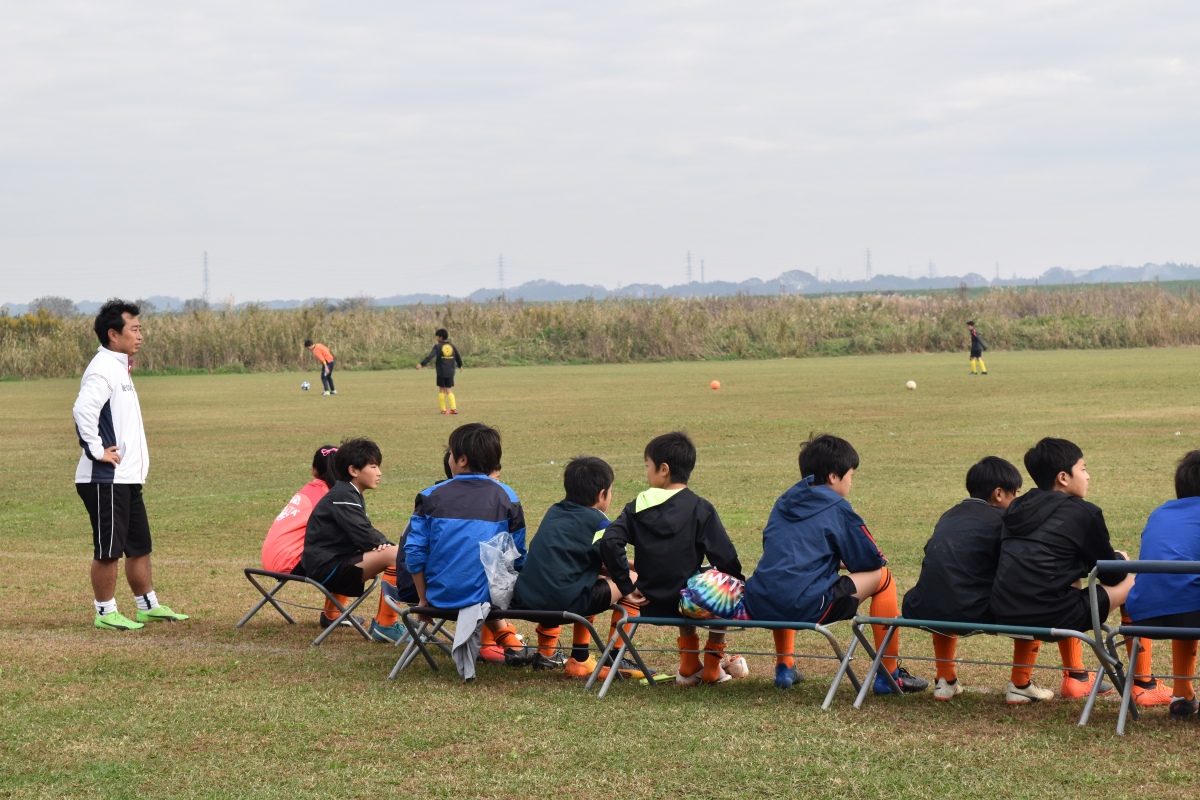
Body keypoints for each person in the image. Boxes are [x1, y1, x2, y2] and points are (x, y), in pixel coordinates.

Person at [742, 433, 927, 694]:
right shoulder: (837, 506)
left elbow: (786, 553)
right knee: (883, 577)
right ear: (832, 476)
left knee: (785, 579)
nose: (851, 481)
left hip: (760, 600)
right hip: (806, 606)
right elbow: (870, 560)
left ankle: (785, 667)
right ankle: (889, 675)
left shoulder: (784, 500)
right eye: (851, 475)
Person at [990, 438, 1165, 703]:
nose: (1088, 475)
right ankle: (1144, 684)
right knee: (1132, 582)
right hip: (1050, 615)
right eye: (1083, 469)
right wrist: (1120, 558)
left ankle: (1076, 677)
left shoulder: (1017, 507)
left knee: (1068, 581)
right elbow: (1112, 575)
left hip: (1004, 611)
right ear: (1063, 477)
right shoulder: (1083, 512)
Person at [73, 299, 188, 631]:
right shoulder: (102, 368)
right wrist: (97, 451)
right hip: (106, 478)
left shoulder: (119, 366)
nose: (140, 335)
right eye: (134, 329)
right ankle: (105, 612)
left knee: (139, 546)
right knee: (109, 550)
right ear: (113, 334)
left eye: (140, 329)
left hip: (126, 478)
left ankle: (147, 606)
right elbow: (83, 410)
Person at [902, 457, 1055, 704]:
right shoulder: (1004, 520)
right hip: (972, 612)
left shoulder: (949, 515)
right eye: (1016, 493)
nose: (1017, 499)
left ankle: (945, 680)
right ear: (998, 494)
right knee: (1030, 600)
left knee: (945, 591)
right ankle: (1020, 684)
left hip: (922, 607)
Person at [600, 431, 743, 685]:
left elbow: (610, 541)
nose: (646, 471)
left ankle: (689, 665)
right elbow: (726, 557)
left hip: (650, 601)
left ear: (663, 469)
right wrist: (736, 585)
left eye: (647, 465)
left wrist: (626, 585)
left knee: (689, 579)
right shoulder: (700, 508)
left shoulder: (637, 506)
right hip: (689, 604)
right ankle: (712, 666)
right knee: (714, 584)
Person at [404, 423, 531, 665]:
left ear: (462, 460)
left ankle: (496, 642)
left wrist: (423, 600)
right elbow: (517, 554)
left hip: (439, 597)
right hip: (490, 600)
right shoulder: (507, 495)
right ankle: (505, 639)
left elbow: (414, 552)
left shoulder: (429, 495)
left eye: (451, 453)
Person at [513, 456, 643, 678]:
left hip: (527, 600)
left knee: (588, 577)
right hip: (565, 604)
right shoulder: (599, 522)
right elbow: (618, 569)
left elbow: (582, 562)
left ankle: (577, 658)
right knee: (632, 579)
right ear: (602, 494)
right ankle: (616, 657)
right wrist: (636, 568)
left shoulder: (554, 512)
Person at [300, 438, 405, 643]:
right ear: (353, 470)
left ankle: (332, 614)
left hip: (327, 562)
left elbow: (362, 536)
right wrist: (388, 545)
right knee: (396, 556)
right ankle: (386, 625)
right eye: (373, 467)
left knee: (393, 552)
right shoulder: (343, 495)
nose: (379, 472)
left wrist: (381, 544)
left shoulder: (346, 492)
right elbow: (364, 534)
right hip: (326, 568)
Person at [1125, 450, 1200, 719]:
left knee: (1185, 594)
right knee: (1189, 597)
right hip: (1192, 613)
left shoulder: (1160, 512)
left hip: (1145, 619)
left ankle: (1182, 695)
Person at [261, 445, 359, 629]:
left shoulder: (308, 490)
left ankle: (332, 614)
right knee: (355, 554)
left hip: (270, 558)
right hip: (291, 562)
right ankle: (333, 614)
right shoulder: (333, 497)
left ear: (314, 470)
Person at [417, 328, 463, 415]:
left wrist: (422, 364)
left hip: (441, 371)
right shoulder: (452, 346)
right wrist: (460, 365)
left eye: (437, 336)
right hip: (450, 371)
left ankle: (444, 410)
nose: (437, 338)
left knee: (442, 389)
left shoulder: (437, 346)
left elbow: (430, 356)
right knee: (449, 389)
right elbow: (457, 356)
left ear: (441, 337)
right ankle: (454, 409)